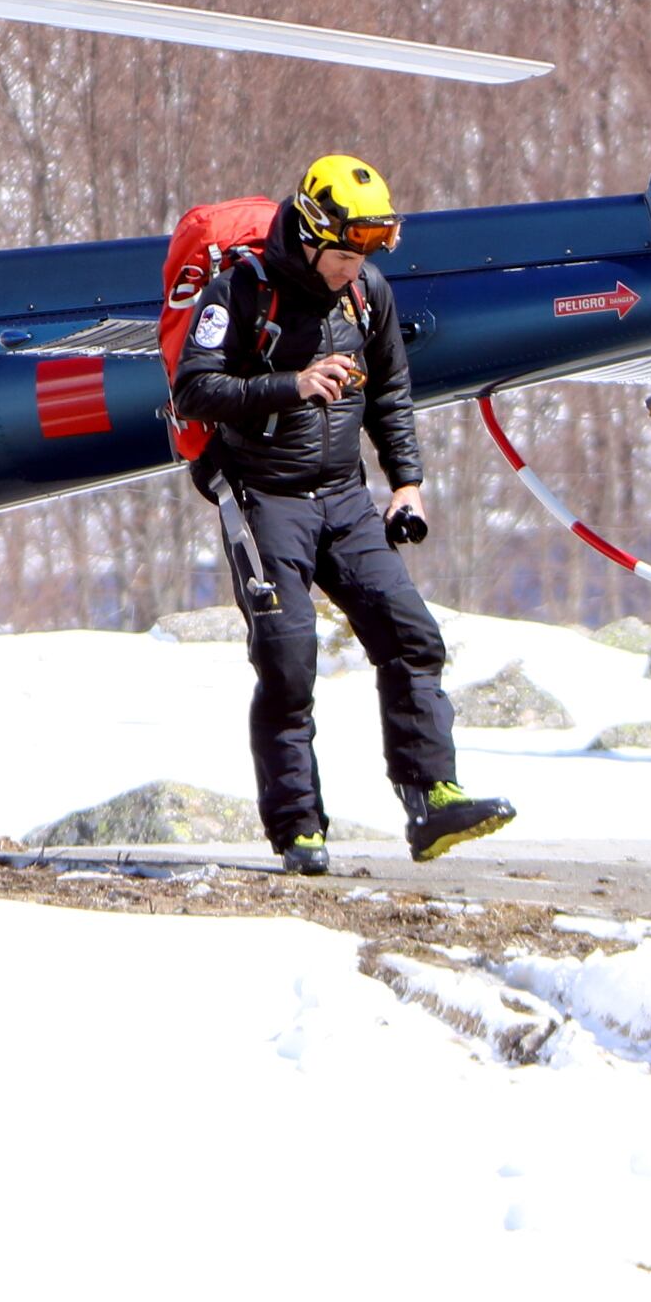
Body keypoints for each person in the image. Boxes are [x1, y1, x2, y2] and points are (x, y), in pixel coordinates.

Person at [170, 153, 515, 874]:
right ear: (309, 234)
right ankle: (299, 831)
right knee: (289, 665)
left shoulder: (367, 295)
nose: (354, 268)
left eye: (367, 252)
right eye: (345, 253)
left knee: (411, 636)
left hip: (347, 499)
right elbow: (194, 393)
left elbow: (390, 390)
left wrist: (408, 484)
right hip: (265, 500)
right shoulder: (240, 292)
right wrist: (292, 384)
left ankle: (433, 801)